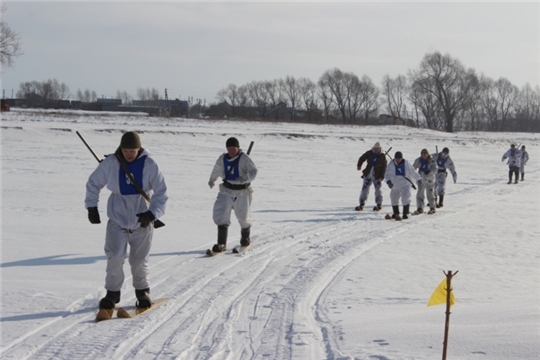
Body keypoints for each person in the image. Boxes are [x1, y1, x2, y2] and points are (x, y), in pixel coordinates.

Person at [85, 132, 168, 310]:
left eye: (133, 150)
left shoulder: (149, 164)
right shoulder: (111, 163)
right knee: (114, 257)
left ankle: (142, 292)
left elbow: (162, 193)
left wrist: (152, 214)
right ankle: (112, 294)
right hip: (117, 218)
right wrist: (91, 207)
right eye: (125, 150)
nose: (129, 154)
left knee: (139, 261)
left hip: (143, 221)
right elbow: (93, 183)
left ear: (139, 149)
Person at [208, 137, 258, 252]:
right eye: (229, 148)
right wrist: (212, 179)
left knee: (243, 216)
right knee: (221, 213)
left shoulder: (244, 158)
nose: (231, 151)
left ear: (238, 148)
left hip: (242, 192)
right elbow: (216, 169)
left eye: (233, 148)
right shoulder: (222, 158)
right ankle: (221, 243)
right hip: (226, 190)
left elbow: (254, 171)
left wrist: (244, 178)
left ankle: (245, 237)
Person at [384, 151, 421, 220]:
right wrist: (389, 181)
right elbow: (388, 173)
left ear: (401, 158)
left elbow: (413, 172)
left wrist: (418, 179)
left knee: (406, 197)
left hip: (405, 184)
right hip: (395, 184)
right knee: (393, 197)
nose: (398, 160)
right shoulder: (391, 164)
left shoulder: (406, 163)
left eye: (399, 158)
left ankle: (405, 213)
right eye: (396, 158)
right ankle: (396, 213)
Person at [355, 142, 388, 211]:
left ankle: (379, 204)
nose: (376, 150)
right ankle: (362, 204)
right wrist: (359, 165)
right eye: (375, 148)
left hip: (377, 175)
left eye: (378, 149)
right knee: (364, 189)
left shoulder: (382, 156)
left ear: (380, 149)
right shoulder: (369, 153)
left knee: (378, 189)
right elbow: (362, 158)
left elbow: (384, 166)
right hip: (367, 173)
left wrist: (382, 175)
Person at [412, 149, 438, 215]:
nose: (423, 155)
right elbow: (413, 168)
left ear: (428, 154)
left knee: (430, 193)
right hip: (420, 179)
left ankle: (432, 207)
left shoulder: (432, 161)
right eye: (422, 154)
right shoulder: (418, 160)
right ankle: (420, 207)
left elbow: (436, 169)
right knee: (420, 193)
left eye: (425, 154)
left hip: (430, 179)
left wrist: (430, 171)